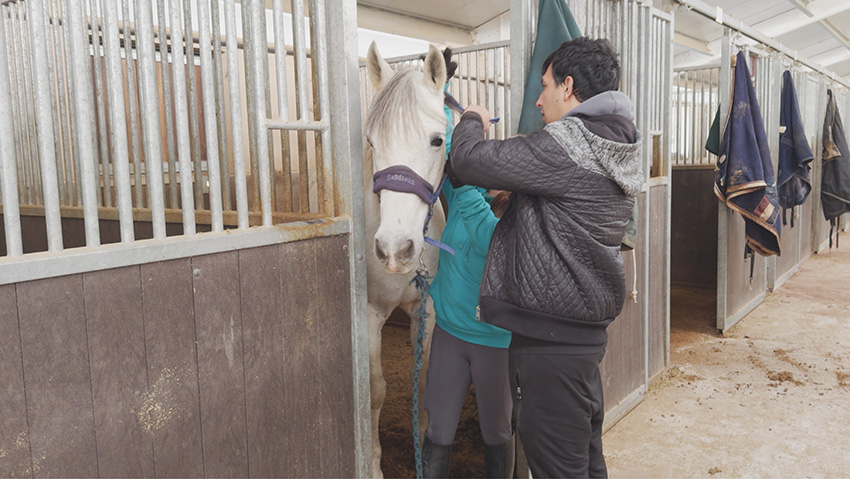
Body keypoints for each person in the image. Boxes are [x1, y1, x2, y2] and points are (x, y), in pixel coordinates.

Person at [447, 37, 643, 478]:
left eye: (545, 85)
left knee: (557, 466)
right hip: (579, 340)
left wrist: (472, 119)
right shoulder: (611, 142)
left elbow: (467, 160)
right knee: (584, 461)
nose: (537, 100)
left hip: (551, 347)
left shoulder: (568, 143)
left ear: (568, 86)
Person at [420, 51, 515, 478]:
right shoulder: (468, 201)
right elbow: (453, 143)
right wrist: (439, 94)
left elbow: (476, 210)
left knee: (497, 431)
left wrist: (466, 179)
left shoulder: (500, 229)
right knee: (438, 428)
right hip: (450, 334)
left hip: (495, 344)